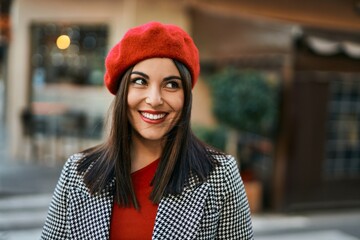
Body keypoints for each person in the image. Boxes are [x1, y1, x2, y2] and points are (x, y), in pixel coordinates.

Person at [41, 21, 254, 239]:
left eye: (171, 84)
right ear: (123, 90)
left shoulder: (219, 175)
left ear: (186, 96)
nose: (154, 100)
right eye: (140, 81)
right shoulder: (78, 173)